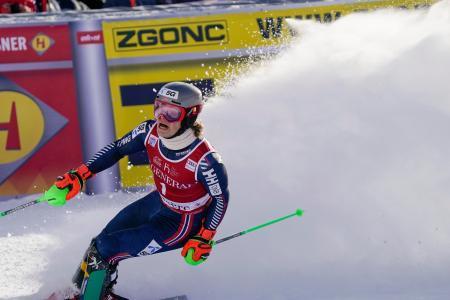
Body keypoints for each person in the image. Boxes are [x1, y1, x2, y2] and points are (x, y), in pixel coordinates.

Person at [52, 82, 229, 300]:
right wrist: (81, 174)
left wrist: (205, 236)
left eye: (171, 113)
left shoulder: (205, 159)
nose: (161, 117)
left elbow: (220, 198)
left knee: (104, 250)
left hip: (181, 222)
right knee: (98, 243)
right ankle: (79, 293)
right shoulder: (149, 132)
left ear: (191, 115)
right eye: (158, 108)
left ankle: (92, 296)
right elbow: (117, 148)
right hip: (159, 203)